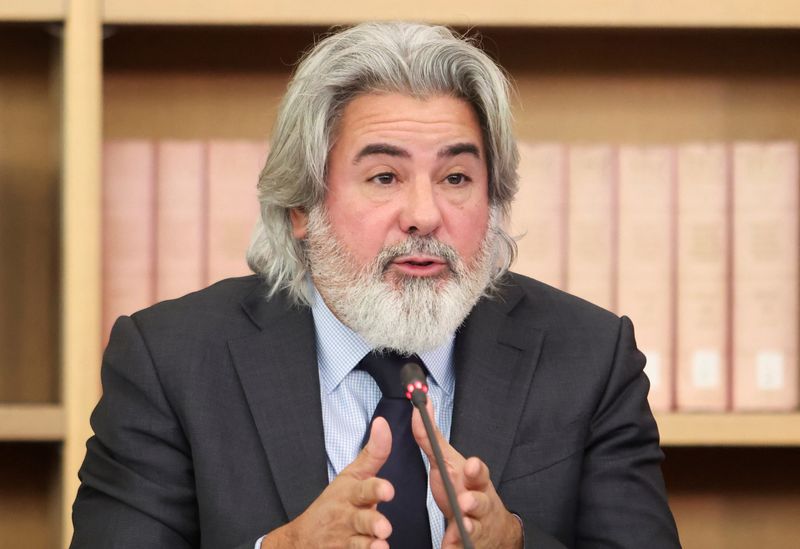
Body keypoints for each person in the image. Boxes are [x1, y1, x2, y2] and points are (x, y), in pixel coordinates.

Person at [70, 21, 680, 549]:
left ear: (494, 201)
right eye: (385, 176)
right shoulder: (170, 360)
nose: (424, 214)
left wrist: (515, 542)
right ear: (301, 206)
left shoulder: (589, 356)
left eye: (457, 177)